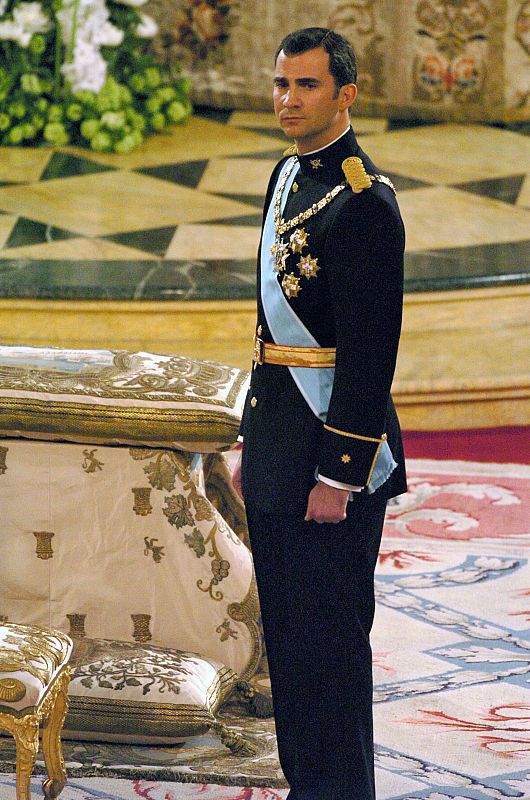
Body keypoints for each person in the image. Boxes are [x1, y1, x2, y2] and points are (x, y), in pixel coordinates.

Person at [232, 26, 407, 800]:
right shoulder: (287, 172)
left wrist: (337, 477)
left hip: (333, 457)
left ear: (347, 94)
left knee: (332, 647)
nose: (287, 100)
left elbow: (370, 359)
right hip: (279, 439)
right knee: (292, 646)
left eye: (305, 86)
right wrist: (255, 440)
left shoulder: (366, 203)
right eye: (280, 85)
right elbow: (273, 334)